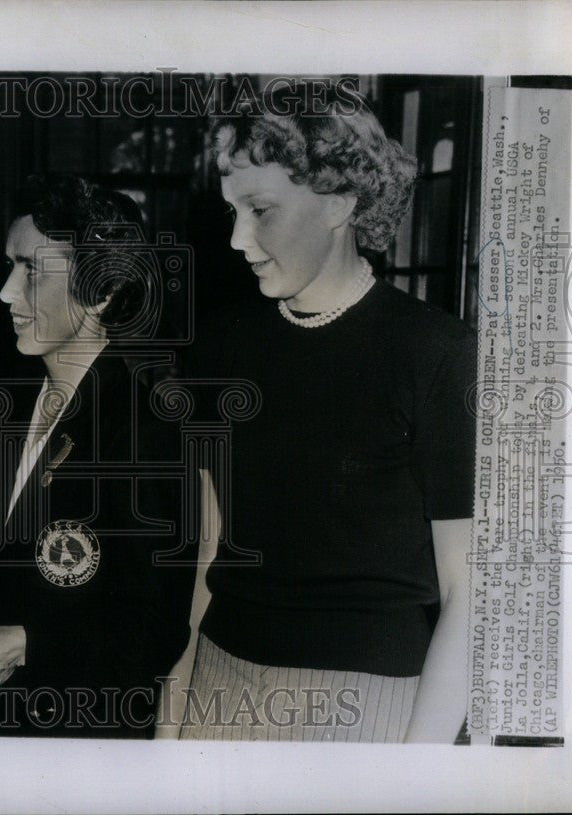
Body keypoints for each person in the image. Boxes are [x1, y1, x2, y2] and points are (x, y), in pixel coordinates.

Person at [179, 85, 476, 742]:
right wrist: (172, 723)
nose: (237, 238)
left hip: (368, 706)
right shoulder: (219, 345)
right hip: (220, 681)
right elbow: (207, 551)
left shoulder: (437, 354)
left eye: (260, 211)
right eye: (232, 211)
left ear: (341, 201)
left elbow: (470, 594)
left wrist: (417, 775)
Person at [0, 175, 194, 737]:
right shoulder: (1, 407)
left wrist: (26, 644)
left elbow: (155, 630)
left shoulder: (143, 423)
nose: (5, 292)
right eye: (9, 267)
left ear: (102, 290)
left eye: (31, 271)